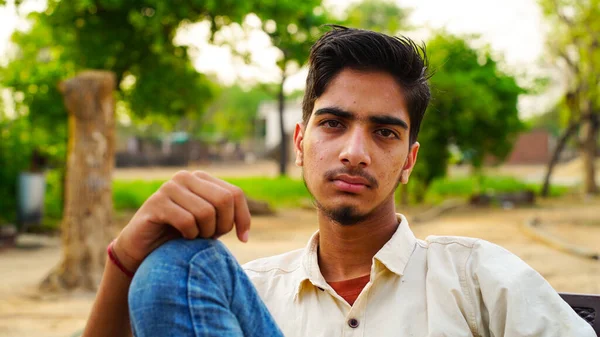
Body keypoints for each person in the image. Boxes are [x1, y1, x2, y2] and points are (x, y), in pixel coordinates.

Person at [82, 26, 596, 337]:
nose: (355, 151)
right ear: (301, 142)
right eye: (334, 124)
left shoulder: (478, 276)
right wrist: (127, 254)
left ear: (409, 159)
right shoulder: (251, 294)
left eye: (384, 132)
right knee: (176, 265)